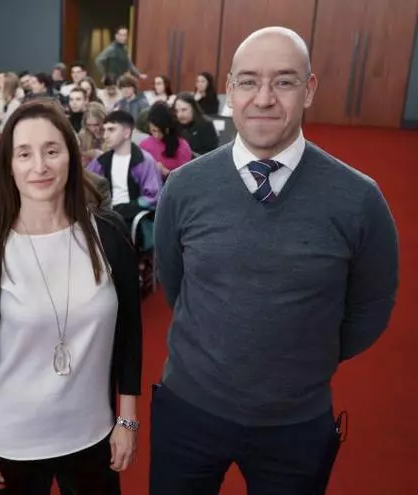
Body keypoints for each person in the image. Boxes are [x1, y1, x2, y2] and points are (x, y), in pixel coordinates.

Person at [151, 27, 399, 495]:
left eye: (284, 81)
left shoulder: (359, 199)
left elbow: (371, 305)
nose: (263, 98)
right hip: (188, 411)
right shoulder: (184, 187)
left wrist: (304, 355)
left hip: (295, 424)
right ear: (229, 90)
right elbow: (174, 281)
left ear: (309, 90)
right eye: (248, 81)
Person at [0, 99, 142, 494]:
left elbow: (130, 335)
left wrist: (127, 420)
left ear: (72, 158)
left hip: (94, 433)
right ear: (9, 165)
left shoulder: (109, 235)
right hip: (13, 440)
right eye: (24, 153)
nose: (39, 166)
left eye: (52, 151)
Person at [86, 110, 162, 230]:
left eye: (111, 130)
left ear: (127, 133)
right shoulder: (101, 161)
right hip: (104, 216)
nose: (105, 135)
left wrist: (129, 207)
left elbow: (153, 197)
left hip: (134, 219)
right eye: (105, 130)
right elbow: (85, 184)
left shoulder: (143, 161)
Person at [140, 102, 192, 177]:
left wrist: (166, 172)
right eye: (153, 130)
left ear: (168, 128)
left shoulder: (182, 146)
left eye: (161, 131)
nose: (157, 135)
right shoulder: (144, 145)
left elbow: (186, 178)